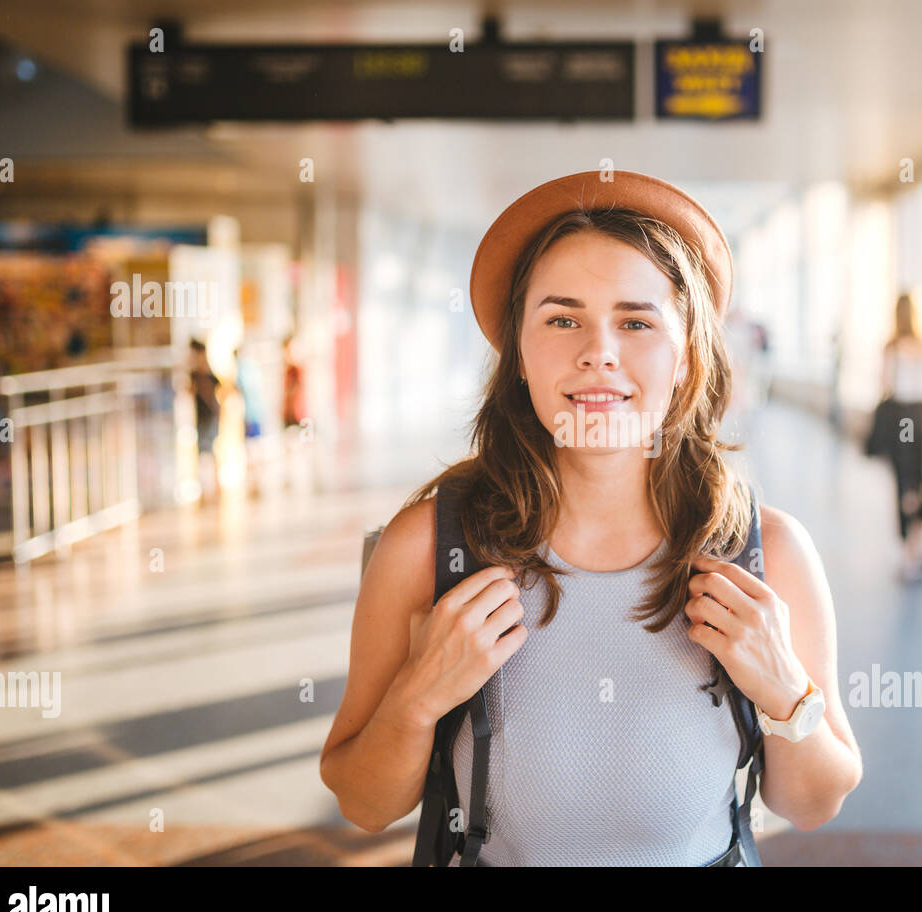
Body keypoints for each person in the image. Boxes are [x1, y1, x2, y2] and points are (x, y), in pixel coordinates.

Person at [319, 170, 862, 866]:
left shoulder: (766, 552)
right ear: (518, 351)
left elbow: (811, 804)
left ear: (688, 352)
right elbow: (364, 805)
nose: (598, 351)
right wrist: (417, 698)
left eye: (636, 322)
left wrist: (785, 689)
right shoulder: (429, 547)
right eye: (562, 318)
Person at [879, 291, 922, 582]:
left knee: (905, 484)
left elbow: (885, 385)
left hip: (901, 419)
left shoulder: (892, 347)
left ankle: (909, 556)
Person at [189, 339, 221, 504]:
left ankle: (215, 485)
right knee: (202, 452)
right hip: (200, 418)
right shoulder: (193, 374)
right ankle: (203, 487)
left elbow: (220, 387)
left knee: (211, 451)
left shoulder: (207, 374)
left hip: (209, 417)